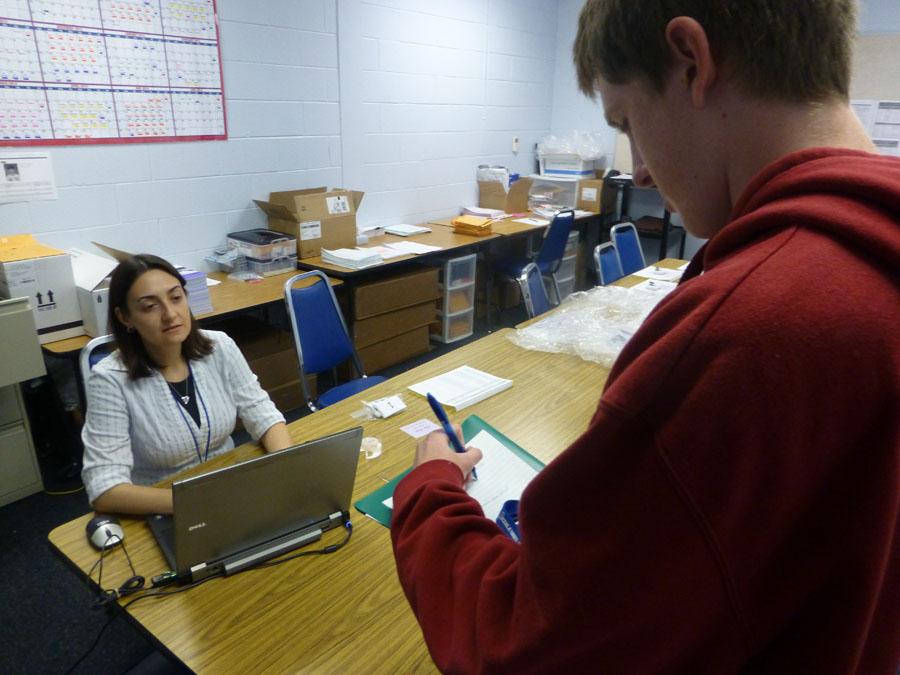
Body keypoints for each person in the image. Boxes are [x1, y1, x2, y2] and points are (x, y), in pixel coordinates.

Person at [390, 1, 900, 672]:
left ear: (691, 59)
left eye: (627, 121)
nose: (638, 173)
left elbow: (524, 648)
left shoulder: (748, 335)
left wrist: (426, 490)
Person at [81, 254, 293, 515]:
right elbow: (105, 489)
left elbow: (263, 414)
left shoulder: (219, 347)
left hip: (231, 489)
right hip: (163, 507)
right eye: (150, 306)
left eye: (176, 297)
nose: (171, 314)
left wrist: (286, 465)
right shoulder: (110, 379)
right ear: (125, 317)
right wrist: (198, 503)